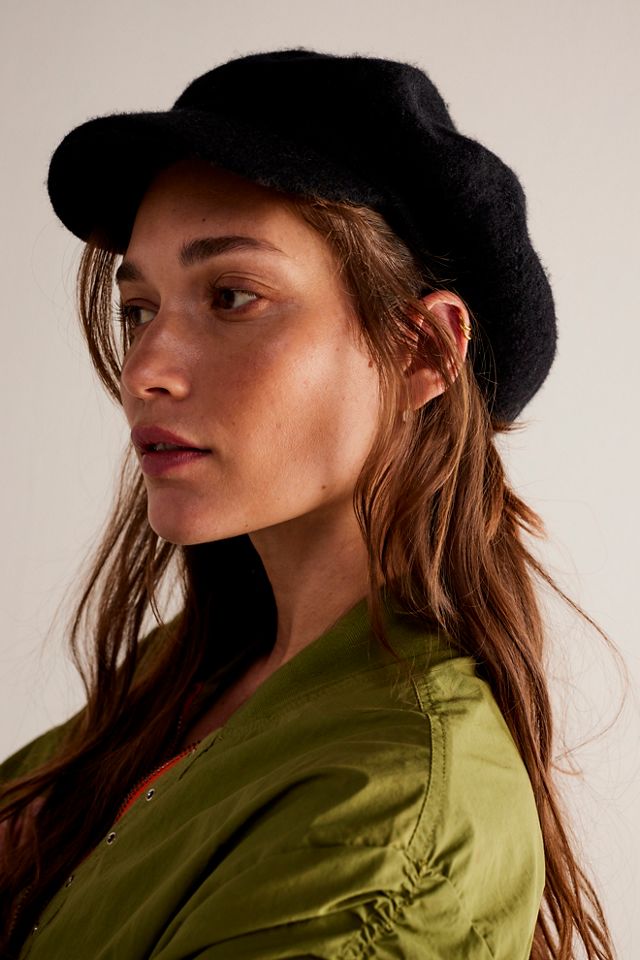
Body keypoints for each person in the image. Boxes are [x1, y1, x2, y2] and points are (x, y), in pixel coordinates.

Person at [0, 49, 618, 960]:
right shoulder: (191, 670)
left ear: (423, 352)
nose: (146, 370)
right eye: (139, 309)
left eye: (232, 297)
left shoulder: (387, 803)